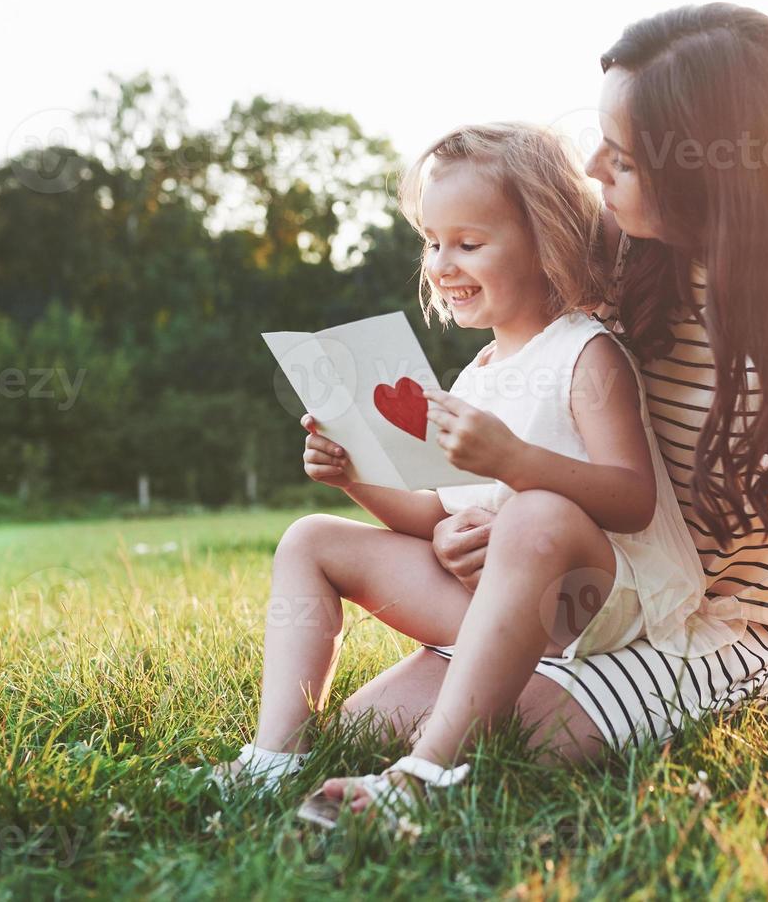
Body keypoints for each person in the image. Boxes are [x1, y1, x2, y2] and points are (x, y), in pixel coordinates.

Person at [308, 3, 768, 824]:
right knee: (368, 725)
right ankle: (453, 723)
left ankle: (427, 776)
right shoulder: (627, 269)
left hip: (732, 632)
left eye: (621, 154)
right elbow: (545, 433)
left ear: (712, 173)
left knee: (507, 735)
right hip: (610, 600)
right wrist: (465, 521)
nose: (591, 165)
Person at [202, 122, 739, 828]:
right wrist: (354, 480)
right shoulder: (475, 375)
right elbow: (433, 515)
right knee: (310, 538)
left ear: (544, 240)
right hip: (496, 603)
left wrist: (514, 466)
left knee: (535, 515)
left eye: (469, 243)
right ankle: (275, 757)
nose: (441, 263)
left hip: (597, 605)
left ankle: (423, 773)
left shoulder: (585, 354)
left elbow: (632, 499)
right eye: (432, 242)